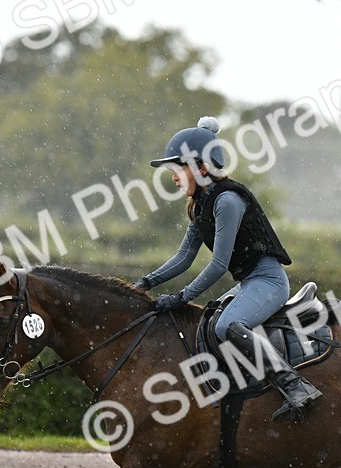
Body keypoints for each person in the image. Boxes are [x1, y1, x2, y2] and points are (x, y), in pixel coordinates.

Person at [134, 116, 322, 422]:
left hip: (269, 281)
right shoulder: (200, 204)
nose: (173, 177)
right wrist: (144, 283)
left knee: (226, 327)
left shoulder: (228, 201)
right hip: (250, 282)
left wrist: (181, 297)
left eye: (178, 169)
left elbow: (219, 265)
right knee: (209, 320)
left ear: (202, 168)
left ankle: (295, 385)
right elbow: (184, 257)